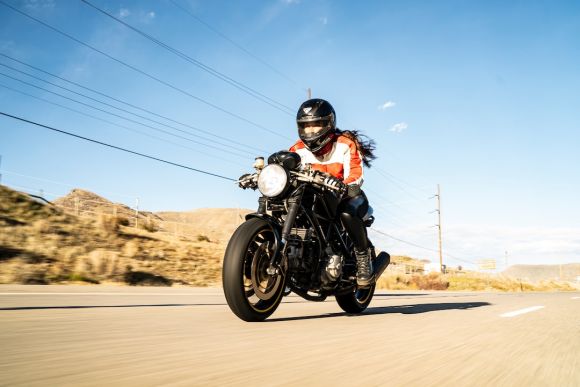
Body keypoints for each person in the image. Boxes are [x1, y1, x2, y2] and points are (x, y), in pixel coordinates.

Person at [290, 98, 377, 286]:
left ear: (328, 124)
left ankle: (363, 258)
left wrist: (345, 186)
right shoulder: (297, 149)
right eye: (306, 127)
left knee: (347, 213)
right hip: (316, 195)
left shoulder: (345, 143)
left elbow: (355, 171)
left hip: (346, 194)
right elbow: (287, 169)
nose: (310, 132)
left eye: (315, 126)